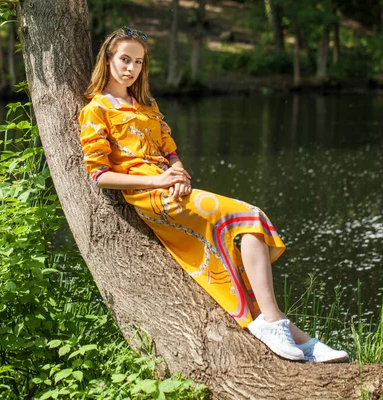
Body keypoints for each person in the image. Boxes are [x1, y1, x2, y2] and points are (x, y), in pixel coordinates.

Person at [78, 27, 348, 363]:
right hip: (148, 197)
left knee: (241, 246)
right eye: (124, 59)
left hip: (172, 188)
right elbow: (100, 175)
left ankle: (301, 341)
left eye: (138, 62)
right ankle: (274, 323)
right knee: (251, 215)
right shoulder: (96, 109)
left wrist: (179, 174)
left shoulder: (146, 105)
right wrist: (161, 181)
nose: (130, 68)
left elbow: (170, 150)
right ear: (108, 58)